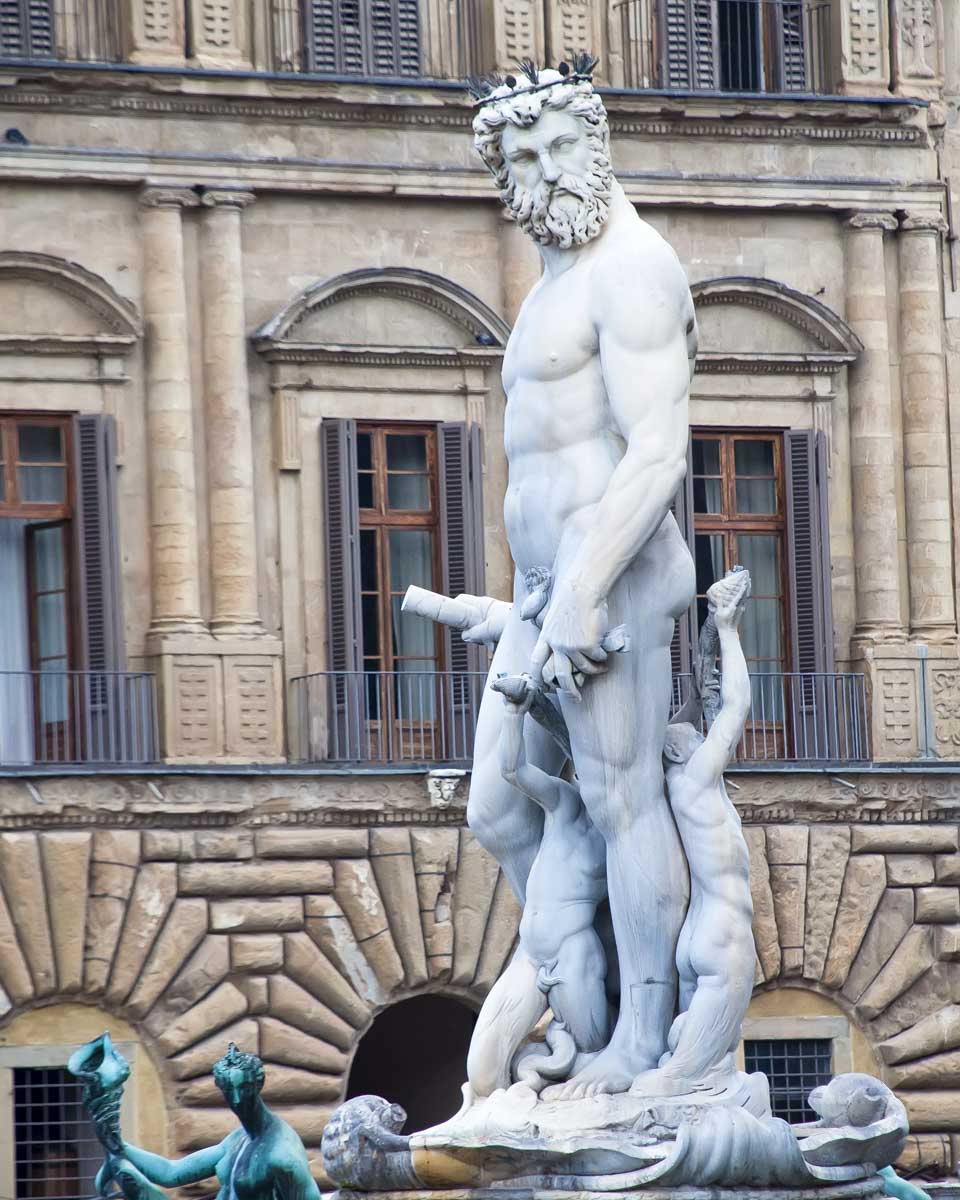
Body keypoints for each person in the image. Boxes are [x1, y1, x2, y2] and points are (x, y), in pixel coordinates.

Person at [461, 57, 697, 1096]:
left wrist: (590, 588)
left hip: (616, 574)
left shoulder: (633, 265)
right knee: (499, 805)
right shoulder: (552, 283)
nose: (545, 172)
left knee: (621, 799)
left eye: (561, 147)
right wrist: (532, 598)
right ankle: (581, 998)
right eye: (522, 156)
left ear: (595, 146)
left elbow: (657, 451)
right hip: (543, 587)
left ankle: (643, 1045)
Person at [631, 570, 755, 1098]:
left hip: (694, 937)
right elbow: (732, 707)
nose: (696, 731)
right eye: (689, 734)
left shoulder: (678, 784)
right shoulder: (700, 780)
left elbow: (703, 691)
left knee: (700, 1075)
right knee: (680, 1083)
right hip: (725, 934)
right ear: (682, 749)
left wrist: (707, 629)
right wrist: (727, 628)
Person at [466, 673, 608, 1097]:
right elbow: (512, 770)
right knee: (483, 1072)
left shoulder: (621, 837)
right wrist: (513, 713)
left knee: (590, 1061)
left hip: (573, 958)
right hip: (531, 957)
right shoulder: (564, 803)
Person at [118, 1044, 320, 1200]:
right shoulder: (237, 1140)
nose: (237, 1099)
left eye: (244, 1088)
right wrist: (118, 1145)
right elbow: (171, 1173)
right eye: (229, 1091)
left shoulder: (282, 1156)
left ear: (258, 1084)